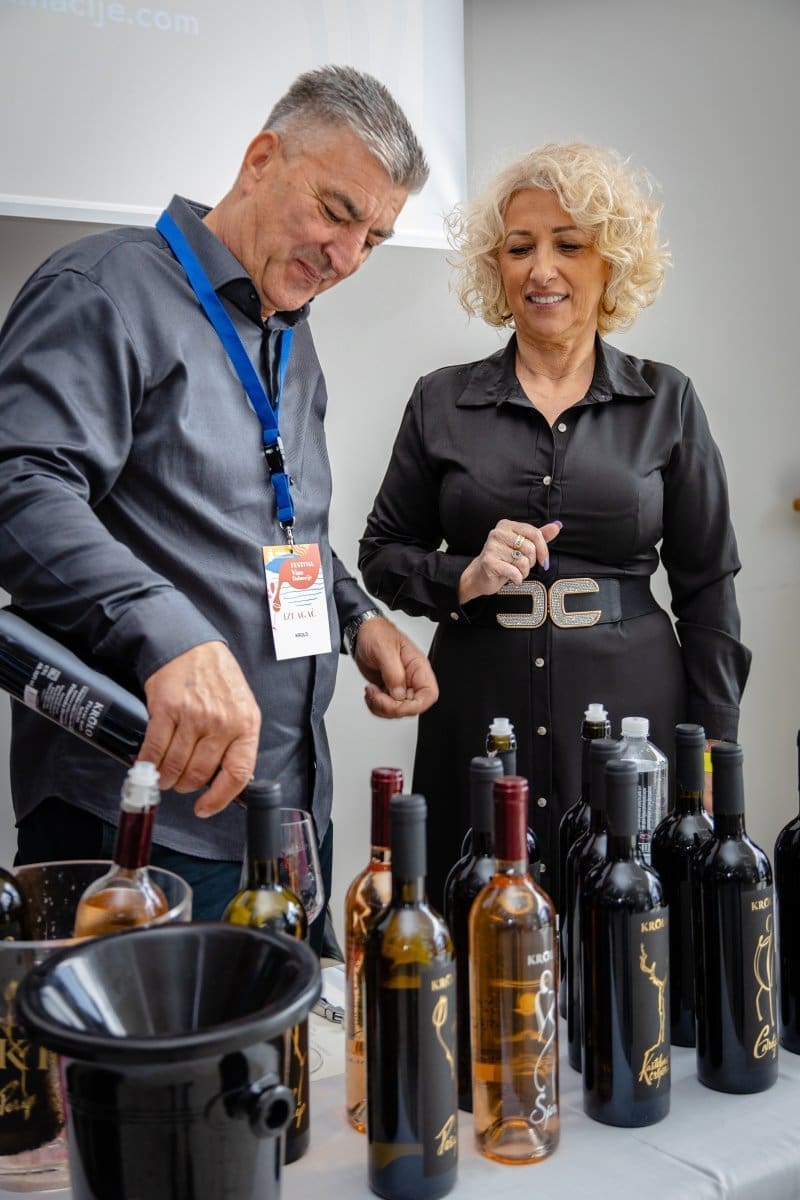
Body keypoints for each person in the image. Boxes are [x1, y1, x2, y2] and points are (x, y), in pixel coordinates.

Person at [0, 65, 438, 945]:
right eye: (337, 213)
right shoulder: (102, 288)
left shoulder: (290, 334)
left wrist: (356, 619)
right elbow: (19, 484)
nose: (347, 258)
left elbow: (279, 527)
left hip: (285, 814)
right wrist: (169, 632)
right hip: (137, 820)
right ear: (261, 159)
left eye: (375, 239)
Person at [359, 142, 750, 911]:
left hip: (636, 716)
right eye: (519, 248)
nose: (541, 270)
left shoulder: (667, 401)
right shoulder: (439, 401)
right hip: (476, 710)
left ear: (612, 264)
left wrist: (711, 746)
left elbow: (709, 589)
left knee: (632, 937)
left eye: (568, 245)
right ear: (495, 268)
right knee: (476, 927)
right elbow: (382, 554)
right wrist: (464, 576)